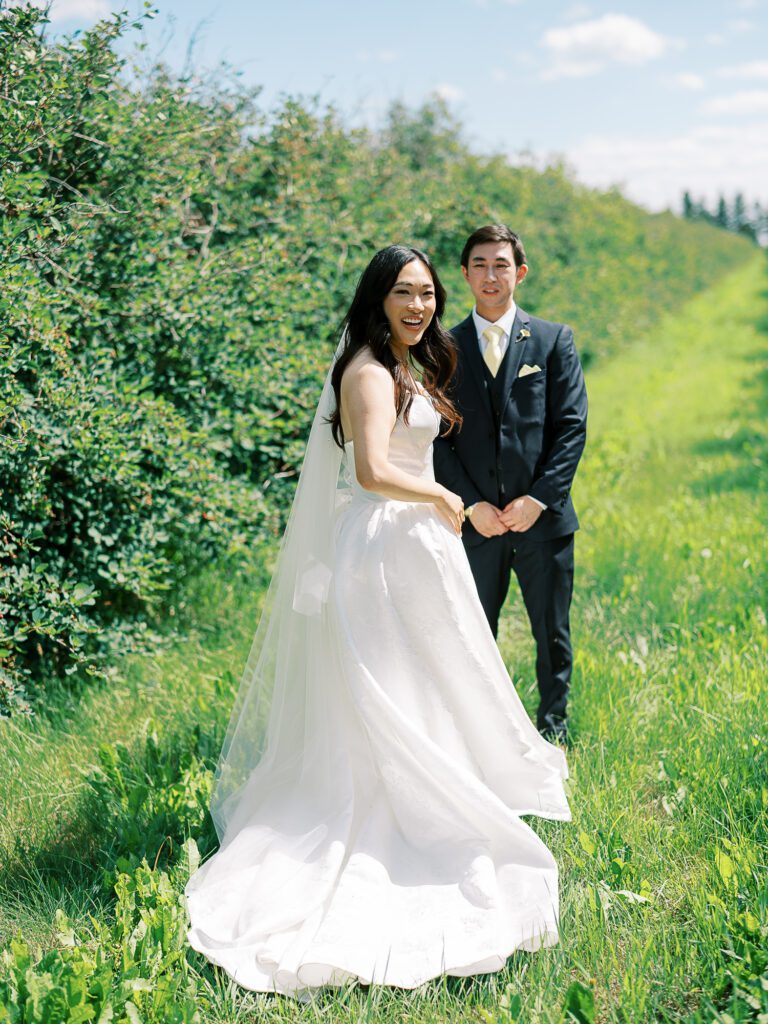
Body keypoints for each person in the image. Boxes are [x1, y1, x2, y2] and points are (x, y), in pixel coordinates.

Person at [185, 245, 571, 998]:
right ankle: (394, 807)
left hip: (417, 544)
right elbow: (369, 470)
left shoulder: (410, 365)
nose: (419, 306)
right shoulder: (366, 368)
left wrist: (433, 506)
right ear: (378, 297)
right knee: (389, 683)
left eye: (427, 293)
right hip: (384, 544)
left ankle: (438, 785)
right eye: (404, 292)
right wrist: (437, 498)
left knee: (432, 675)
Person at [434, 225, 588, 744]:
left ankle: (553, 725)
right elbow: (436, 441)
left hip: (542, 520)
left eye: (501, 264)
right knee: (475, 632)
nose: (490, 275)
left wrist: (539, 498)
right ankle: (483, 731)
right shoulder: (444, 347)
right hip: (476, 523)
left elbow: (571, 427)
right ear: (464, 275)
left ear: (519, 272)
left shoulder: (552, 340)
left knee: (551, 630)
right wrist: (472, 504)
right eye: (479, 264)